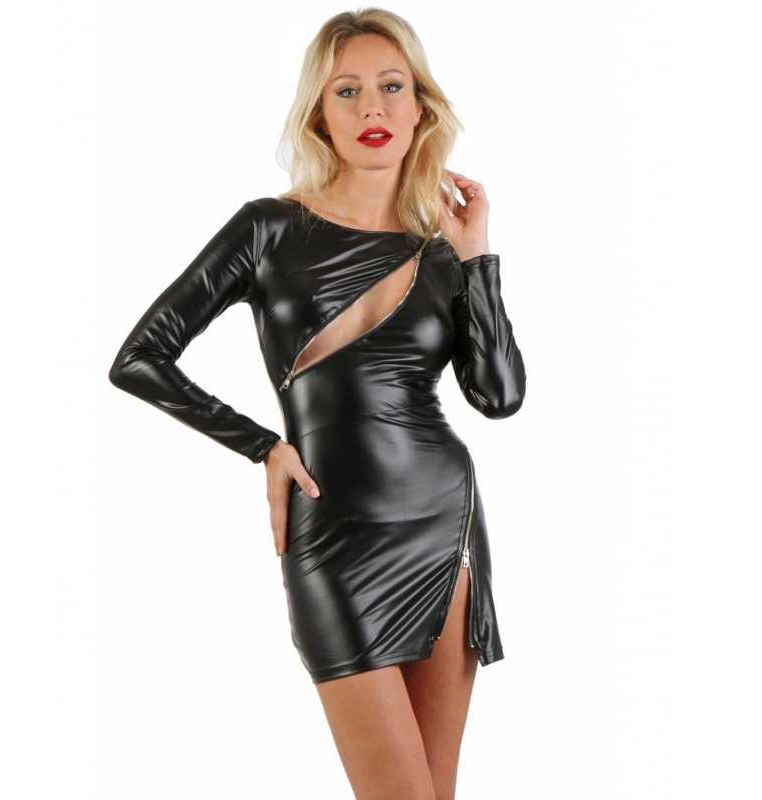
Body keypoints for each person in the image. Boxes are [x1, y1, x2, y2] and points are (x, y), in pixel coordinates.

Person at [109, 9, 526, 799]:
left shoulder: (443, 252)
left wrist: (478, 259)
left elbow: (498, 396)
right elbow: (140, 358)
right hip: (332, 537)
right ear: (318, 116)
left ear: (421, 107)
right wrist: (262, 445)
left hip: (444, 528)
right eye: (347, 91)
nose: (373, 108)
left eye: (391, 87)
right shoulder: (269, 230)